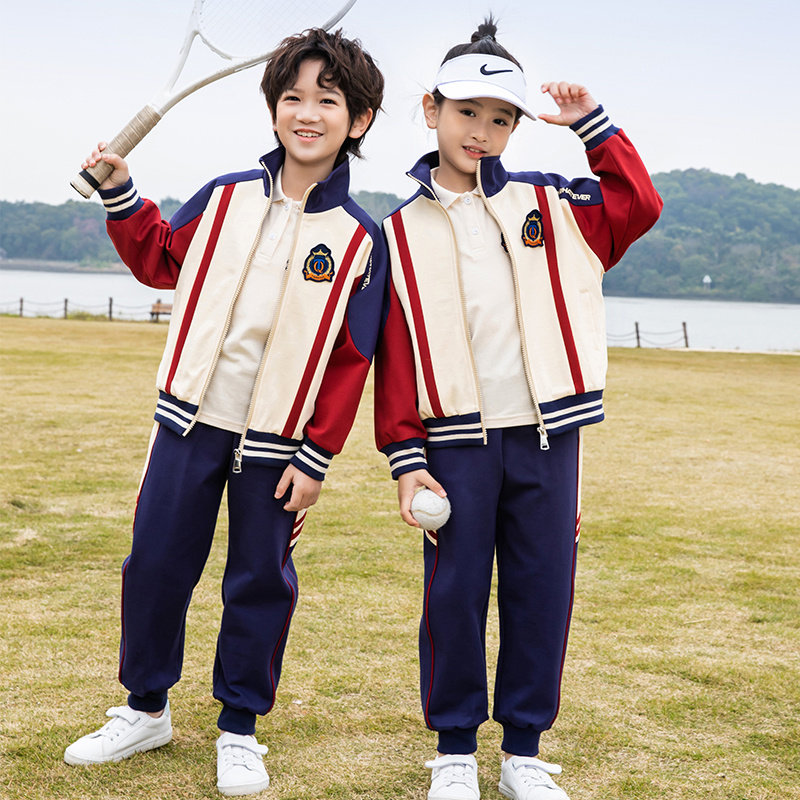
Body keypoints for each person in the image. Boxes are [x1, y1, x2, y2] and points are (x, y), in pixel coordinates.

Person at [64, 28, 385, 798]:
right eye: (292, 97)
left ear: (359, 120)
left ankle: (239, 728)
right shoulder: (225, 195)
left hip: (278, 446)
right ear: (273, 109)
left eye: (327, 101)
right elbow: (159, 259)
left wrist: (317, 455)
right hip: (187, 422)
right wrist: (121, 192)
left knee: (258, 582)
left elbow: (351, 360)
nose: (306, 113)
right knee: (155, 566)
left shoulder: (361, 239)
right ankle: (145, 709)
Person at [374, 17, 662, 800]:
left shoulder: (556, 202)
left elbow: (639, 204)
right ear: (431, 109)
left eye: (500, 118)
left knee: (542, 591)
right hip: (454, 445)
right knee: (454, 594)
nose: (482, 131)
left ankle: (523, 753)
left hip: (546, 438)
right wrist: (405, 458)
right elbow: (394, 356)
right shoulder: (393, 233)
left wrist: (592, 128)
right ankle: (454, 751)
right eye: (466, 112)